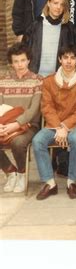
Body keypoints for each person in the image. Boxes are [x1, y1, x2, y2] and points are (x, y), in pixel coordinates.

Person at [32, 45, 76, 200]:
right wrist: (59, 127)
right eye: (65, 57)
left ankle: (72, 182)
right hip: (54, 125)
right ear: (59, 59)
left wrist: (65, 126)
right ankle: (50, 183)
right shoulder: (49, 81)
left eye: (72, 58)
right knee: (38, 140)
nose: (68, 61)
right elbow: (47, 107)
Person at [0, 44, 42, 194]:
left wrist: (16, 125)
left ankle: (22, 174)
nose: (20, 65)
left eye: (23, 60)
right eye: (16, 61)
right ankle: (11, 172)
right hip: (4, 123)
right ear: (11, 63)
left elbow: (34, 110)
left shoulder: (37, 80)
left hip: (29, 125)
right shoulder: (3, 81)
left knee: (17, 142)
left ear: (28, 60)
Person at [22, 0, 76, 77]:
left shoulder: (68, 29)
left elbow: (73, 53)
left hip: (58, 76)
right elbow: (24, 49)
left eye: (62, 5)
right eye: (55, 3)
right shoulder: (35, 25)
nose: (58, 7)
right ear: (48, 3)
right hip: (35, 74)